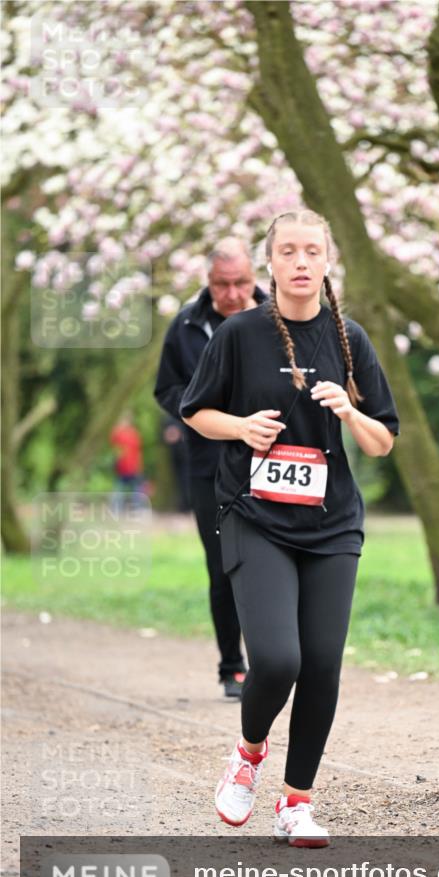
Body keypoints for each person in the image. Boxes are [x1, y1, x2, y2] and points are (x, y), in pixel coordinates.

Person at [180, 210, 399, 847]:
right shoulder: (241, 335)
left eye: (312, 251)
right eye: (288, 252)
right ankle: (248, 755)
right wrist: (242, 428)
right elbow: (196, 411)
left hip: (331, 525)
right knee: (277, 659)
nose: (301, 262)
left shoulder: (350, 338)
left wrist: (349, 411)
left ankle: (296, 802)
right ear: (269, 265)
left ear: (327, 261)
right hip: (254, 516)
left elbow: (383, 440)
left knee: (323, 665)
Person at [154, 240, 267, 699]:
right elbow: (166, 389)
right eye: (222, 284)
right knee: (222, 566)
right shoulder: (185, 324)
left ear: (254, 277)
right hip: (209, 464)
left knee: (273, 562)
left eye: (241, 282)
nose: (233, 293)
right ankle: (232, 667)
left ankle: (276, 663)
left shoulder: (279, 316)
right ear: (208, 281)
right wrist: (204, 414)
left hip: (270, 461)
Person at [109, 411, 144, 513]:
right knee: (119, 488)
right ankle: (116, 509)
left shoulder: (133, 433)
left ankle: (137, 508)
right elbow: (114, 447)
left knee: (136, 489)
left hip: (133, 466)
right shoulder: (118, 432)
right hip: (122, 466)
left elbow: (138, 451)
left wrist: (138, 466)